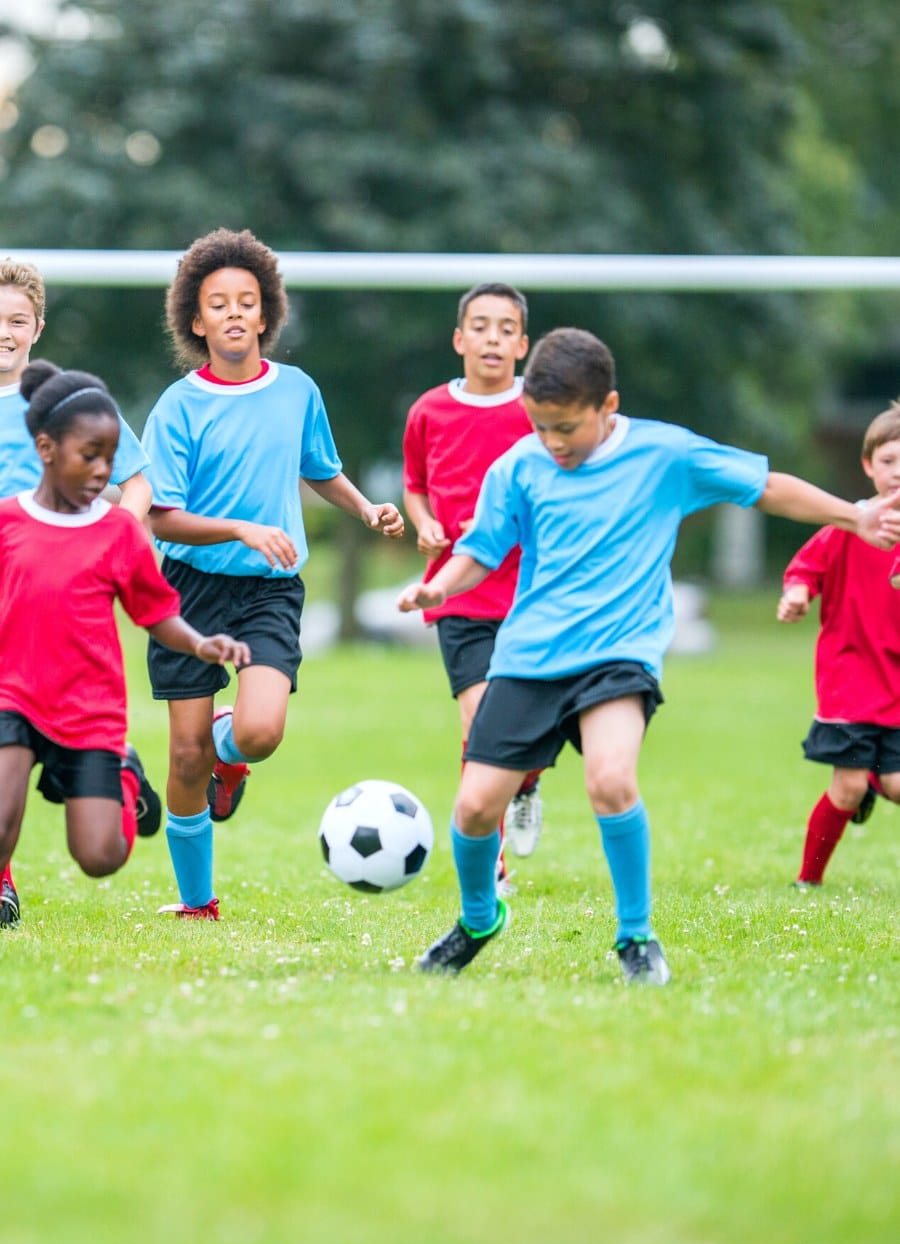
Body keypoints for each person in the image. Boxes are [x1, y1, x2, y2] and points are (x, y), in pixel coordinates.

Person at [398, 327, 900, 984]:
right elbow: (481, 551)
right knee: (473, 807)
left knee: (611, 779)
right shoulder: (518, 467)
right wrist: (438, 584)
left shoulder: (665, 454)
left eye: (566, 428)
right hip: (529, 656)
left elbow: (766, 485)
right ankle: (477, 920)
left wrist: (852, 517)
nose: (552, 441)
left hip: (618, 653)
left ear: (608, 408)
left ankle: (635, 937)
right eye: (540, 425)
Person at [142, 227, 404, 920]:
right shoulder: (179, 407)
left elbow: (321, 469)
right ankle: (198, 903)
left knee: (258, 734)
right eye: (217, 303)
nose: (234, 313)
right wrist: (237, 527)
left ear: (266, 314)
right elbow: (160, 517)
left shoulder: (296, 391)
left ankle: (233, 749)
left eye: (246, 301)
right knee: (185, 759)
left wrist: (366, 507)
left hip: (268, 590)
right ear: (195, 321)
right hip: (189, 592)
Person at [0, 361, 249, 928]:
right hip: (12, 696)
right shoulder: (8, 522)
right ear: (45, 448)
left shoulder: (115, 534)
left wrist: (201, 644)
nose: (102, 471)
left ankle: (126, 777)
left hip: (88, 711)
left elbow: (157, 614)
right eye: (89, 455)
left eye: (110, 458)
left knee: (100, 857)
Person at [0, 258, 154, 925]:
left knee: (82, 818)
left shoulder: (66, 402)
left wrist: (118, 541)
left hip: (55, 608)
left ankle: (113, 767)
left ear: (37, 326)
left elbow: (138, 483)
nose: (3, 331)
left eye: (16, 319)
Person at [402, 282, 543, 886]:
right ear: (460, 339)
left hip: (532, 592)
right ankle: (494, 864)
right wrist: (426, 522)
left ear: (523, 344)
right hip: (457, 592)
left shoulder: (538, 411)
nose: (492, 337)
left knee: (527, 729)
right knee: (480, 724)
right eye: (480, 326)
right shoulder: (429, 411)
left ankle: (526, 785)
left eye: (505, 328)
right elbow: (415, 485)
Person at [777, 403, 900, 885]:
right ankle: (808, 881)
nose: (898, 472)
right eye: (889, 461)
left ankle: (876, 776)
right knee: (846, 790)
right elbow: (805, 568)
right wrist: (796, 596)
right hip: (849, 679)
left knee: (894, 786)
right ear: (869, 466)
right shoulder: (850, 524)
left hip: (896, 686)